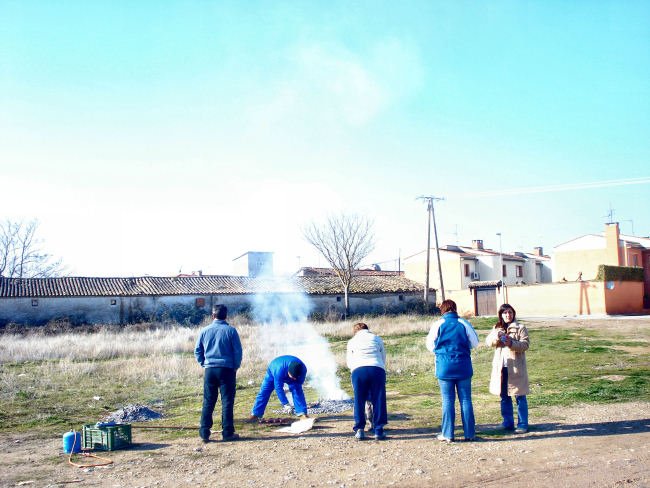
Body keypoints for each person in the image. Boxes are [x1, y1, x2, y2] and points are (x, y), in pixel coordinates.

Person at [425, 299, 479, 442]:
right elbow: (475, 343)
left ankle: (448, 434)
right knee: (466, 399)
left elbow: (430, 345)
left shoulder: (438, 324)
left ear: (442, 310)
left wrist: (441, 352)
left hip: (444, 366)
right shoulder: (464, 323)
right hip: (463, 365)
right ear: (455, 308)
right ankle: (469, 433)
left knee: (447, 400)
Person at [194, 304, 243, 443]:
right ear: (226, 316)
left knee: (208, 401)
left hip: (210, 370)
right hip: (227, 370)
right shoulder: (231, 331)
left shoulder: (204, 331)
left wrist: (204, 363)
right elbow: (238, 352)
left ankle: (204, 432)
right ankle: (227, 433)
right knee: (227, 401)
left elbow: (197, 351)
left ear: (212, 315)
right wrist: (235, 366)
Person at [486, 303, 530, 434]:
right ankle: (507, 422)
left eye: (510, 312)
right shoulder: (497, 328)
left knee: (519, 396)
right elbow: (488, 342)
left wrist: (511, 343)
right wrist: (497, 337)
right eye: (505, 313)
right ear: (501, 315)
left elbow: (525, 345)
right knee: (504, 396)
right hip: (501, 368)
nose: (508, 315)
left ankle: (522, 424)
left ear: (513, 313)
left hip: (516, 368)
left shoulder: (520, 327)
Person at [346, 322, 388, 441]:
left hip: (358, 370)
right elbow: (383, 356)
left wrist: (354, 369)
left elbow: (349, 361)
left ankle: (360, 430)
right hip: (376, 369)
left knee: (359, 400)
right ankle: (378, 430)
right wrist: (380, 366)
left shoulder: (352, 341)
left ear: (355, 332)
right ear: (367, 329)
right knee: (378, 399)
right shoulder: (377, 338)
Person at [247, 355, 308, 421]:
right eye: (292, 377)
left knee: (297, 390)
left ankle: (302, 414)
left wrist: (290, 389)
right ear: (288, 372)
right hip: (273, 369)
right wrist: (286, 404)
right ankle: (256, 414)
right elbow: (278, 388)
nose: (294, 379)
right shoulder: (279, 371)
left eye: (295, 377)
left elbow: (299, 383)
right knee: (264, 391)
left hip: (285, 371)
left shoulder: (303, 369)